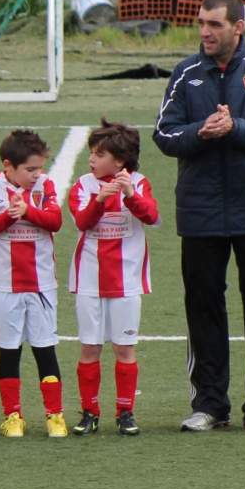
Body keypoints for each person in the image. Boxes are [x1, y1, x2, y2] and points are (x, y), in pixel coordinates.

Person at [154, 0, 245, 433]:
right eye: (201, 23)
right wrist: (202, 131)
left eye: (214, 24)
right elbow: (164, 134)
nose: (204, 32)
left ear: (238, 27)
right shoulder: (185, 74)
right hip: (201, 212)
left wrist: (235, 127)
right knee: (203, 308)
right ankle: (210, 404)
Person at [68, 118, 160, 437]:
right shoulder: (83, 185)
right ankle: (90, 412)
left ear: (119, 161)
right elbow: (82, 222)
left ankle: (125, 412)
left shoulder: (139, 182)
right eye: (91, 153)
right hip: (89, 281)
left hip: (127, 282)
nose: (91, 159)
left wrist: (129, 194)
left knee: (124, 349)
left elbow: (152, 216)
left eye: (99, 154)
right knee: (90, 349)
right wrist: (100, 200)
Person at [0, 130, 66, 438]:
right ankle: (13, 416)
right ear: (8, 166)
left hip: (41, 284)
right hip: (5, 285)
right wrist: (9, 217)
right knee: (10, 349)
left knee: (45, 349)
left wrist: (28, 211)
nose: (36, 174)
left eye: (39, 168)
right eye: (30, 169)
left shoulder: (45, 185)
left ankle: (55, 415)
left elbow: (55, 221)